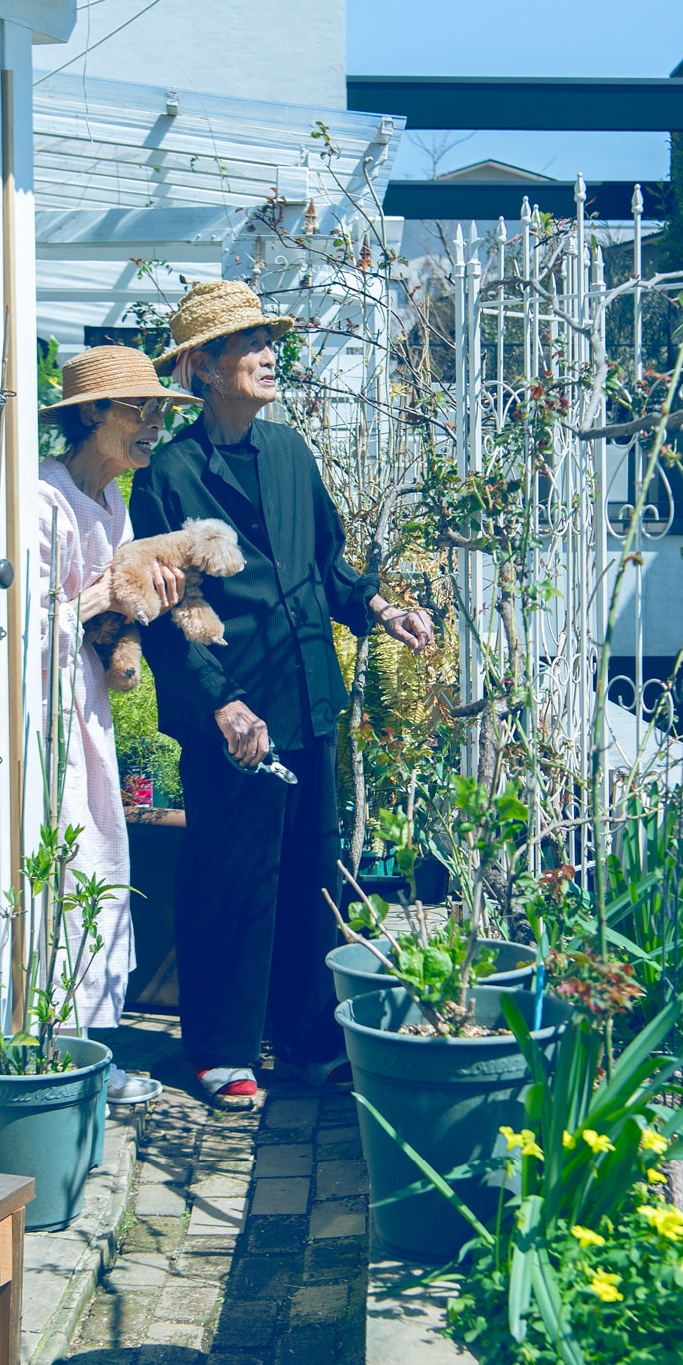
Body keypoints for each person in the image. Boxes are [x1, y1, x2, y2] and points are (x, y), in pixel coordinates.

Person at [132, 280, 432, 1107]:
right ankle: (221, 1048)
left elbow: (328, 564)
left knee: (311, 875)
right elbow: (166, 612)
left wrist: (382, 608)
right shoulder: (169, 475)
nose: (271, 355)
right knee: (230, 877)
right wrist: (220, 701)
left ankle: (308, 1040)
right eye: (251, 343)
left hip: (306, 693)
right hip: (232, 707)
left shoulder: (292, 453)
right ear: (204, 365)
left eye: (271, 340)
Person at [38, 344, 200, 1097]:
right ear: (93, 412)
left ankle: (90, 1054)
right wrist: (109, 595)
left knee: (101, 856)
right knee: (64, 861)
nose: (156, 425)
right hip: (44, 712)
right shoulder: (44, 501)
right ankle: (59, 1057)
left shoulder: (110, 499)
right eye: (143, 410)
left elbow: (117, 601)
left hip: (87, 704)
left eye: (163, 411)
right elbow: (23, 628)